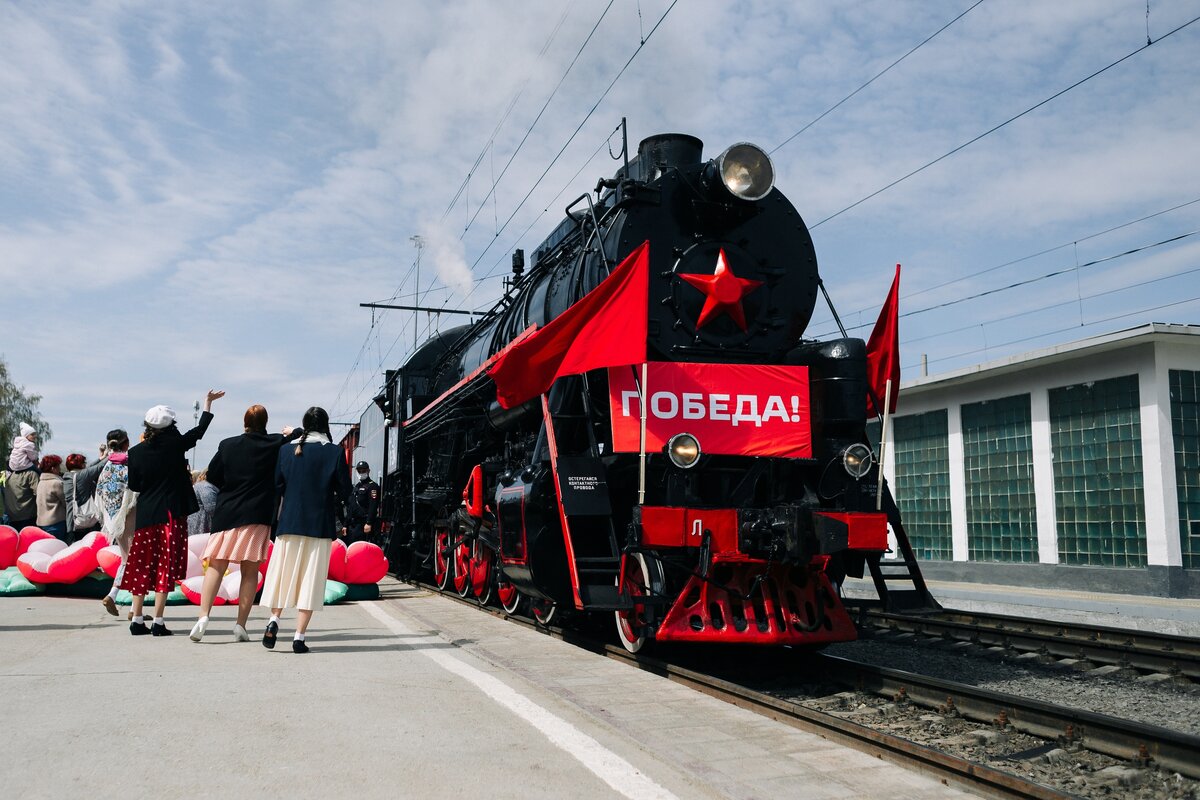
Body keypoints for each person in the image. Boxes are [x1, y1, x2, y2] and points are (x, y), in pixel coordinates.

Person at [189, 404, 298, 643]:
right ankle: (240, 625)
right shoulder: (275, 443)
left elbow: (214, 476)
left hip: (227, 514)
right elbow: (300, 434)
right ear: (265, 423)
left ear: (244, 423)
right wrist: (291, 431)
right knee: (250, 572)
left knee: (216, 566)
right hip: (257, 516)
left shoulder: (227, 445)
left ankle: (203, 617)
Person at [124, 390, 224, 636]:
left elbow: (135, 486)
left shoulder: (135, 453)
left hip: (146, 516)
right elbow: (198, 432)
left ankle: (137, 619)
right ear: (171, 425)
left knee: (142, 566)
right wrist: (208, 404)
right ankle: (158, 621)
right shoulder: (176, 445)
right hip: (171, 515)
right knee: (164, 566)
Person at [260, 407, 351, 653]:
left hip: (288, 523)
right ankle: (299, 638)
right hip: (319, 526)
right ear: (326, 425)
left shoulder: (286, 450)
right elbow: (345, 491)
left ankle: (273, 620)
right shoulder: (334, 452)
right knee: (311, 581)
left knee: (282, 576)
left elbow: (277, 487)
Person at [95, 430, 136, 616]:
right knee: (134, 560)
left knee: (127, 559)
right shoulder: (131, 464)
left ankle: (128, 603)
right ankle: (132, 607)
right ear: (126, 443)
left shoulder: (106, 467)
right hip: (131, 515)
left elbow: (99, 493)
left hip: (113, 518)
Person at [3, 424, 40, 531]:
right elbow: (33, 457)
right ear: (27, 435)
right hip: (28, 517)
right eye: (32, 434)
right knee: (38, 471)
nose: (34, 437)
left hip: (14, 467)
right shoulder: (30, 445)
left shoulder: (17, 444)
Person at [345, 460, 380, 544]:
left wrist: (369, 523)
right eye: (359, 471)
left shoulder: (372, 486)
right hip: (353, 526)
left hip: (364, 525)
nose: (361, 473)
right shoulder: (356, 487)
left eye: (363, 471)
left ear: (368, 471)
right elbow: (351, 507)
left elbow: (373, 505)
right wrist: (345, 524)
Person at [35, 455, 67, 539]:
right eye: (58, 466)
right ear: (53, 468)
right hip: (55, 523)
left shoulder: (40, 482)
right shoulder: (57, 483)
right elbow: (66, 502)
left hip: (41, 523)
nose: (60, 468)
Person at [187, 470, 218, 538]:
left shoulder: (202, 486)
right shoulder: (205, 486)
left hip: (196, 528)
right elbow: (212, 508)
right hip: (201, 529)